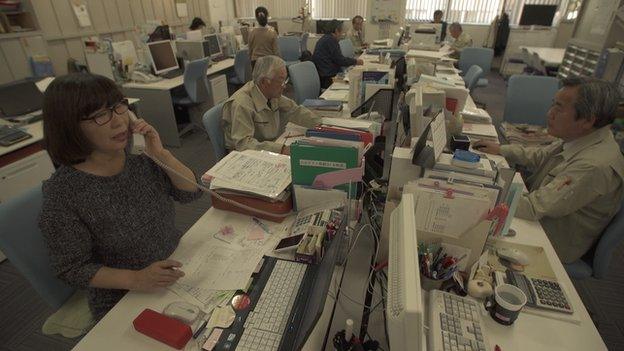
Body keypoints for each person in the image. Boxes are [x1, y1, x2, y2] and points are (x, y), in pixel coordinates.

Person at [39, 73, 202, 320]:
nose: (118, 122)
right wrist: (136, 279)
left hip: (175, 266)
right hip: (123, 297)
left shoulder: (140, 159)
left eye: (118, 107)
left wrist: (161, 154)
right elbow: (71, 269)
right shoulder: (63, 194)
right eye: (100, 115)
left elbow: (191, 193)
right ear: (70, 125)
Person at [474, 77, 624, 264]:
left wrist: (478, 192)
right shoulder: (585, 137)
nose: (549, 114)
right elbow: (541, 155)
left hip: (549, 239)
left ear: (587, 120)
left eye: (559, 108)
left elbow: (534, 207)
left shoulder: (593, 166)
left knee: (467, 229)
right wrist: (501, 149)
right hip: (542, 218)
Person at [222, 56, 321, 154]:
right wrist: (281, 149)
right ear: (264, 82)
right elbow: (243, 144)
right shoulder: (242, 103)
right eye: (280, 81)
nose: (284, 86)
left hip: (265, 148)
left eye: (285, 80)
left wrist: (322, 124)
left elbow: (295, 111)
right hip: (242, 156)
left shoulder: (270, 93)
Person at [312, 20, 364, 89]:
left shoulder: (326, 38)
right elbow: (340, 60)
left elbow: (338, 59)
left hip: (324, 73)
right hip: (328, 78)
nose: (342, 34)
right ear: (336, 31)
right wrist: (356, 61)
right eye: (341, 31)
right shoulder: (331, 40)